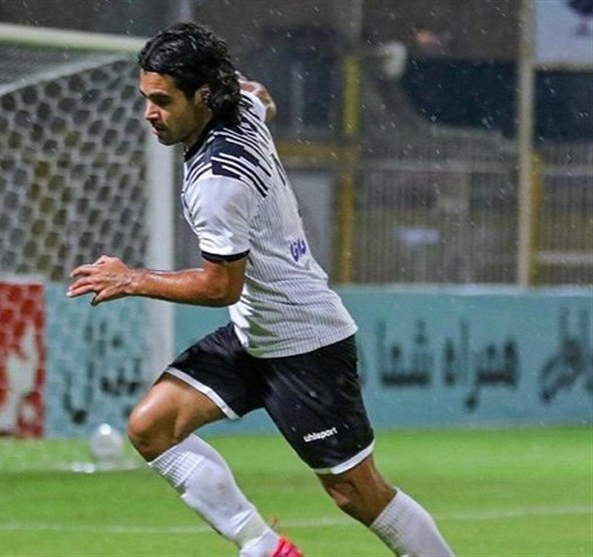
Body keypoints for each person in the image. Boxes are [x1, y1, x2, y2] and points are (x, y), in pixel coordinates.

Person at [68, 22, 455, 557]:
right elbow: (259, 96)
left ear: (203, 97)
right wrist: (250, 94)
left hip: (304, 342)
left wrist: (132, 278)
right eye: (146, 98)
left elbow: (220, 286)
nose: (149, 113)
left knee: (357, 493)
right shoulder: (239, 111)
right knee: (152, 427)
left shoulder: (217, 182)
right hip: (256, 334)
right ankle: (265, 548)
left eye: (162, 101)